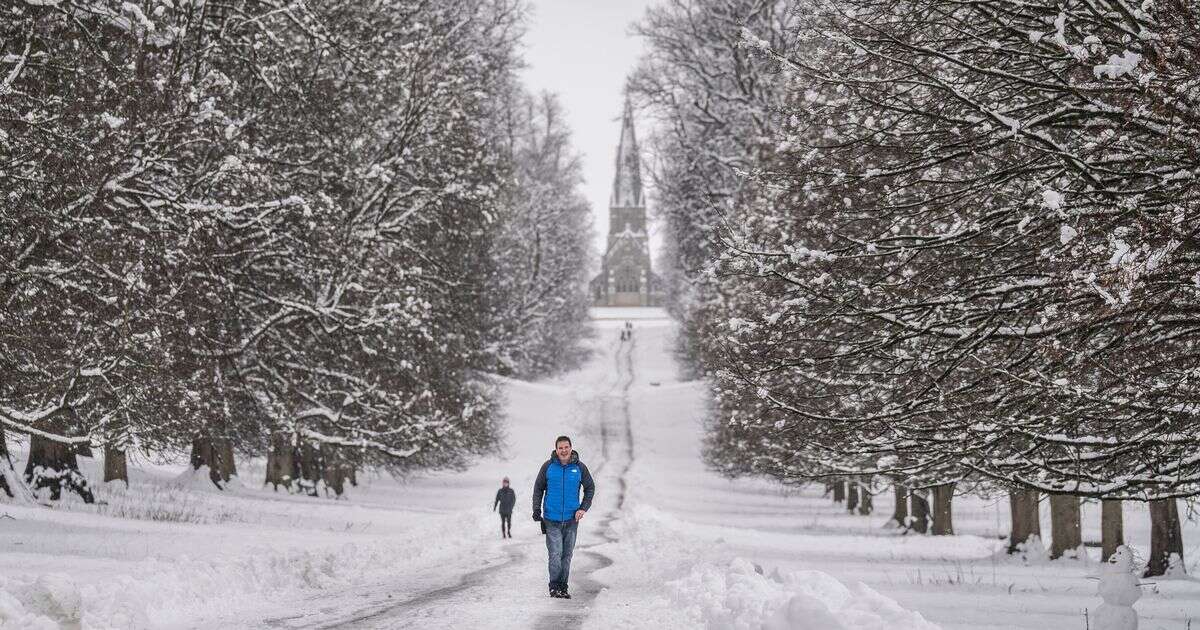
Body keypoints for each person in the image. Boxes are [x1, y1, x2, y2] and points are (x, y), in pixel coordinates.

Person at [531, 435, 595, 599]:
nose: (564, 450)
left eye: (566, 447)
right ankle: (554, 586)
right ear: (556, 449)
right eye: (560, 448)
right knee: (555, 554)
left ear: (571, 448)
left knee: (566, 555)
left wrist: (583, 508)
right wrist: (536, 509)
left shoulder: (580, 468)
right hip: (551, 519)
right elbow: (538, 488)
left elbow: (590, 488)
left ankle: (563, 587)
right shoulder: (548, 467)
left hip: (572, 519)